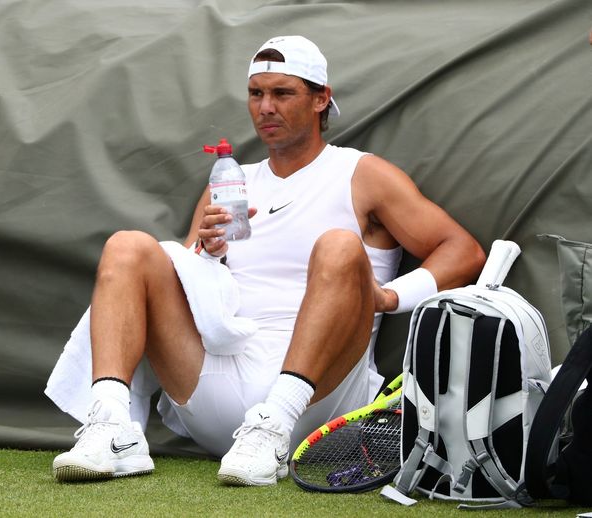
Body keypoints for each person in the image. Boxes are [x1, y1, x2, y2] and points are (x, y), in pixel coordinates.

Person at [48, 35, 486, 486]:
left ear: (321, 99)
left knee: (338, 244)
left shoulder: (362, 174)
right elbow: (195, 290)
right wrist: (206, 255)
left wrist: (389, 296)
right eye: (256, 94)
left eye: (282, 93)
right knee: (128, 246)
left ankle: (275, 420)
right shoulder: (231, 180)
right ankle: (113, 428)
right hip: (216, 395)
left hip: (316, 405)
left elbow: (464, 251)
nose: (266, 108)